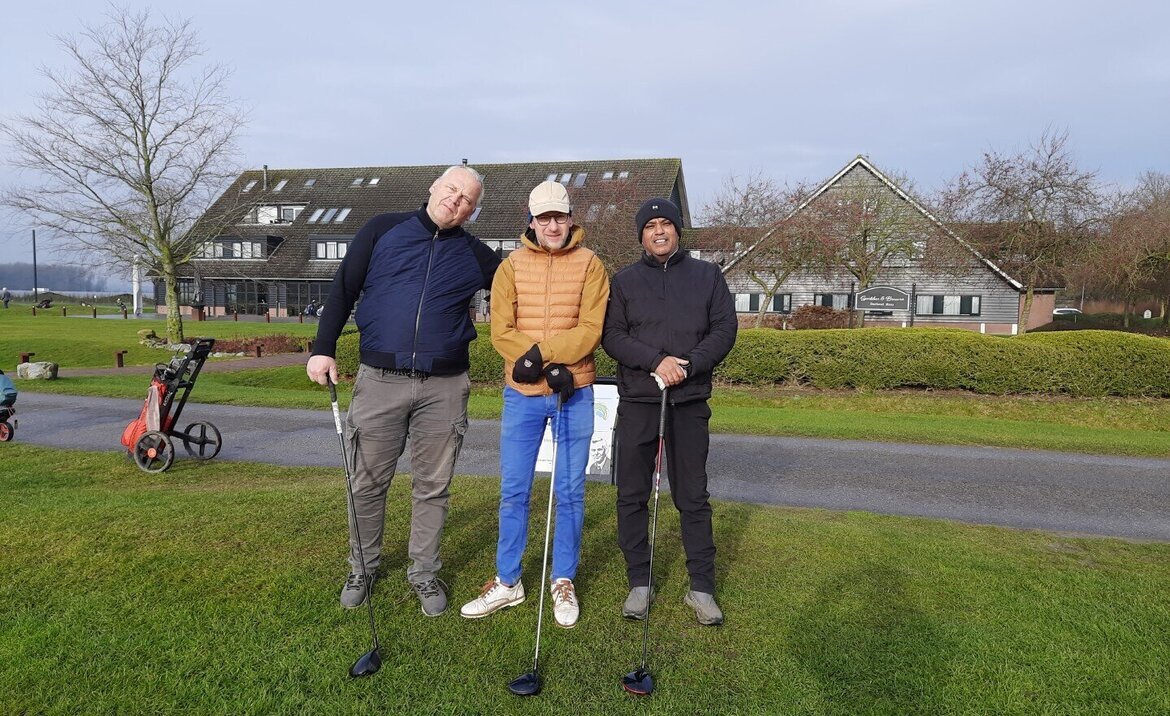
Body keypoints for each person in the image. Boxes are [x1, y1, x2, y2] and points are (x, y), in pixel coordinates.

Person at [306, 165, 500, 616]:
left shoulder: (477, 255)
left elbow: (525, 287)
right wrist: (323, 348)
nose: (456, 200)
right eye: (451, 189)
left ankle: (424, 573)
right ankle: (362, 567)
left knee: (433, 487)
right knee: (367, 482)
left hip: (445, 386)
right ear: (433, 187)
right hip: (379, 380)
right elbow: (343, 288)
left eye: (467, 199)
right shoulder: (382, 229)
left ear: (472, 212)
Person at [460, 181, 609, 629]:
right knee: (514, 491)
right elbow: (501, 329)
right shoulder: (510, 267)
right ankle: (508, 581)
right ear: (531, 220)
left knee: (570, 491)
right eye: (544, 218)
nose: (552, 225)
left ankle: (563, 579)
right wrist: (538, 362)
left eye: (559, 216)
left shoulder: (591, 264)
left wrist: (544, 356)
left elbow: (592, 327)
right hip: (522, 395)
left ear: (570, 218)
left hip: (573, 392)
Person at [602, 197, 738, 626]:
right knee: (632, 494)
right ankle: (639, 582)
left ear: (678, 230)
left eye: (666, 224)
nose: (658, 231)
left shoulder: (707, 275)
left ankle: (702, 587)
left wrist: (689, 364)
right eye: (650, 226)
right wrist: (656, 361)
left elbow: (724, 329)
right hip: (640, 400)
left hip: (689, 400)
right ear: (641, 235)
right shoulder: (624, 281)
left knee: (692, 496)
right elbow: (612, 336)